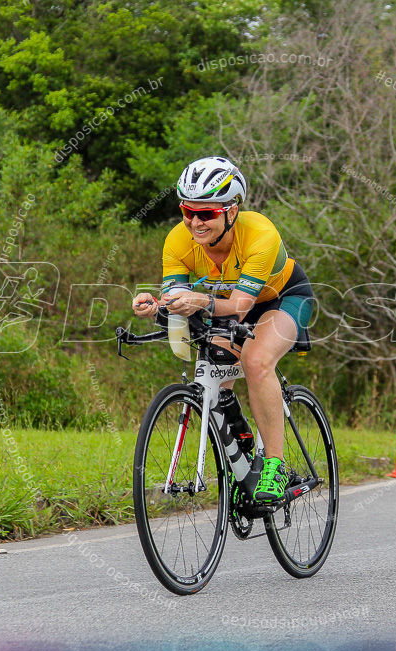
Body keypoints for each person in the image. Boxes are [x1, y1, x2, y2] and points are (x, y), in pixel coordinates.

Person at [131, 156, 314, 502]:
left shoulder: (260, 233)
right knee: (213, 364)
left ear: (232, 211)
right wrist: (157, 305)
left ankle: (275, 465)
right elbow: (177, 295)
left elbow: (243, 308)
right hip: (223, 304)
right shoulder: (177, 241)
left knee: (256, 360)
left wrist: (198, 302)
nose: (195, 223)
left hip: (281, 299)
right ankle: (242, 444)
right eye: (188, 212)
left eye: (207, 214)